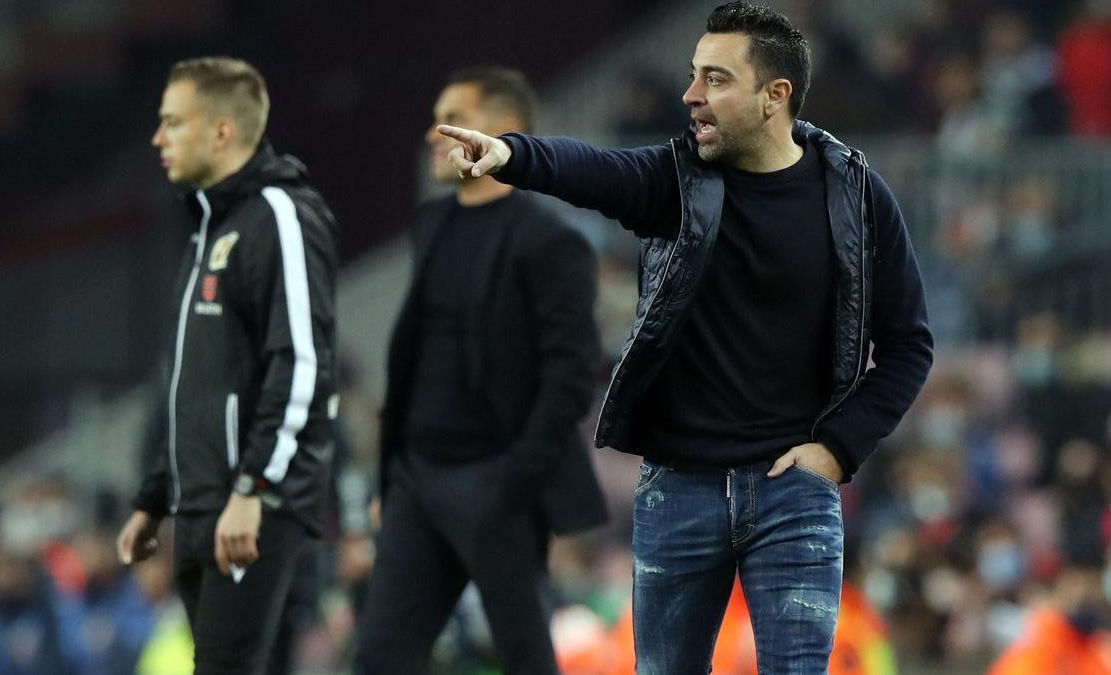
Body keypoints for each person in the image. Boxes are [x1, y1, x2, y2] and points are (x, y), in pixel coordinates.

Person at [437, 2, 933, 673]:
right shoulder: (676, 181)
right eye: (694, 75)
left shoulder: (855, 194)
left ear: (774, 96)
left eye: (716, 79)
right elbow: (594, 170)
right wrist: (511, 155)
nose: (690, 95)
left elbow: (909, 344)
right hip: (680, 489)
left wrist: (838, 450)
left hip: (794, 491)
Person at [353, 66, 608, 675]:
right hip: (417, 480)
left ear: (501, 129)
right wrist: (390, 477)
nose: (431, 135)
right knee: (380, 657)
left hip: (496, 484)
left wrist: (512, 480)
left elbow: (571, 376)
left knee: (523, 655)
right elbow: (417, 359)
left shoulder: (550, 240)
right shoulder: (430, 223)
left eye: (449, 115)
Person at [115, 56, 338, 674]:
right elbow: (191, 386)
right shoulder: (208, 232)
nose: (158, 139)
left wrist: (254, 489)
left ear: (221, 130)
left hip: (250, 505)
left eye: (172, 123)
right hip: (201, 503)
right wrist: (154, 495)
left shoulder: (279, 215)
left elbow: (302, 364)